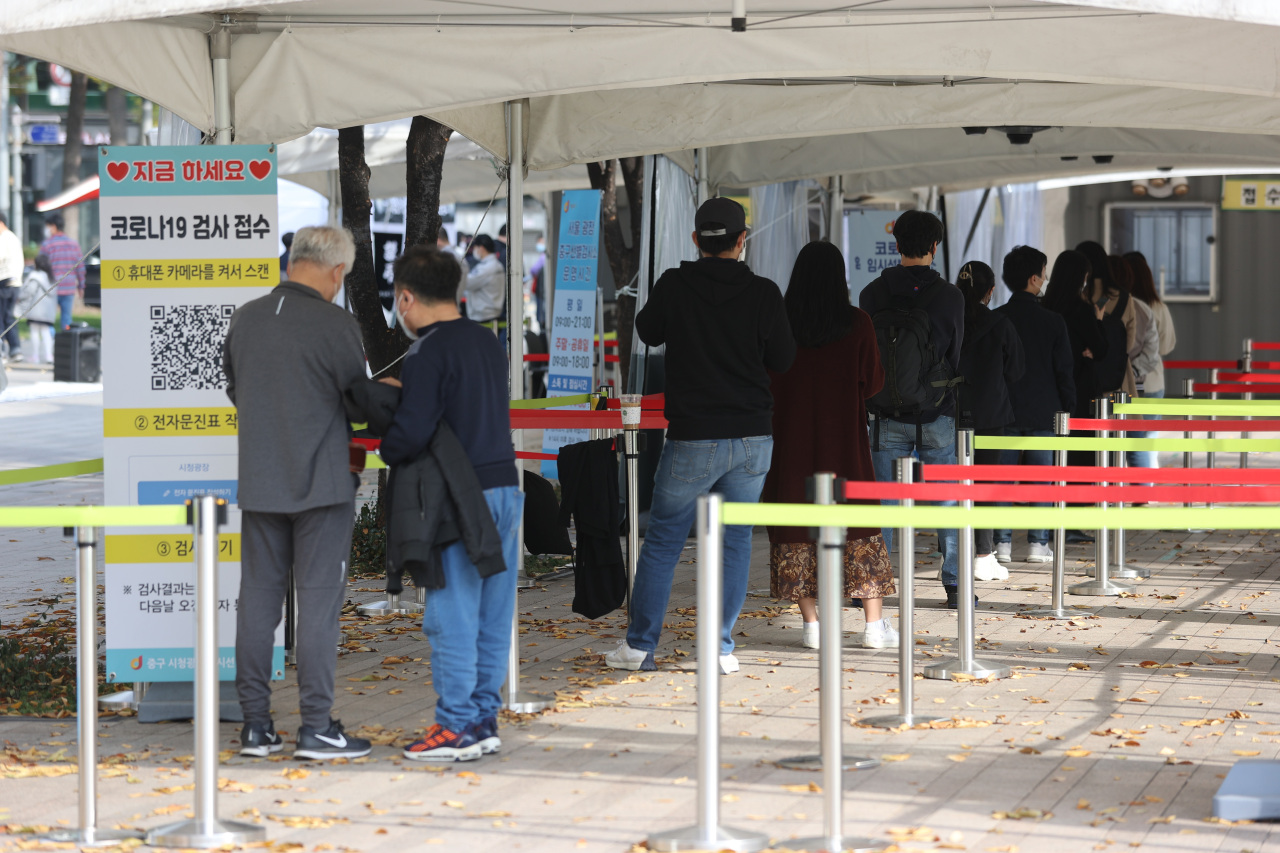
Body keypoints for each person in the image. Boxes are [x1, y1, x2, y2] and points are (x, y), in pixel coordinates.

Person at [605, 197, 796, 673]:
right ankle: (720, 649)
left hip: (692, 436)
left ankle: (639, 647)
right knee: (735, 541)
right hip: (752, 437)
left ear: (695, 240)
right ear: (741, 240)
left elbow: (647, 331)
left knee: (665, 541)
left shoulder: (675, 284)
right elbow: (785, 359)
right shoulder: (765, 293)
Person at [223, 226, 382, 761]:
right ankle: (316, 727)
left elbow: (235, 390)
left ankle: (255, 727)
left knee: (257, 602)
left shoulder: (245, 317)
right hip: (323, 485)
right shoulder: (336, 324)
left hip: (260, 483)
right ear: (337, 271)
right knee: (317, 605)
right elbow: (358, 401)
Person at [378, 246, 523, 763]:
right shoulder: (486, 342)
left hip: (460, 499)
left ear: (406, 297)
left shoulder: (426, 352)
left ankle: (455, 726)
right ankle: (483, 719)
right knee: (491, 610)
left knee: (452, 613)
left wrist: (385, 434)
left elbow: (410, 436)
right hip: (506, 488)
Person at [762, 242, 897, 650]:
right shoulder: (857, 323)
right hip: (846, 443)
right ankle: (873, 627)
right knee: (858, 524)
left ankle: (812, 626)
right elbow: (873, 383)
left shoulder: (779, 323)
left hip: (791, 442)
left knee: (795, 524)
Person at [858, 210, 966, 608]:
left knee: (884, 503)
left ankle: (873, 585)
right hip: (936, 413)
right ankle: (955, 585)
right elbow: (955, 354)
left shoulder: (871, 293)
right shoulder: (951, 297)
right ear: (934, 247)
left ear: (896, 244)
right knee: (948, 501)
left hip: (886, 414)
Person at [994, 245, 1076, 563]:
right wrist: (1068, 408)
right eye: (1043, 273)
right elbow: (1063, 371)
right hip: (1045, 411)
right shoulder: (1053, 322)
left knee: (1001, 480)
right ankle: (1037, 544)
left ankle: (1000, 543)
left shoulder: (997, 318)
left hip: (1005, 411)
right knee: (1043, 479)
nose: (1045, 278)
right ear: (1033, 279)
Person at [955, 260, 1024, 582]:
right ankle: (983, 555)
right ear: (991, 291)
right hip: (991, 414)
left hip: (950, 413)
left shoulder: (948, 320)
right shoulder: (1002, 324)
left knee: (954, 486)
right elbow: (1016, 371)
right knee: (985, 485)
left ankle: (953, 554)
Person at [1041, 249, 1109, 545]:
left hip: (1050, 391)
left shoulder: (1046, 306)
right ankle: (1073, 522)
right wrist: (1098, 320)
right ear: (1081, 278)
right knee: (1081, 456)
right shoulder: (1082, 310)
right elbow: (1102, 348)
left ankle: (1049, 518)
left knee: (1055, 456)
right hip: (1081, 391)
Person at [1123, 251, 1178, 472]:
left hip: (1122, 383)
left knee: (1124, 440)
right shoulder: (1158, 307)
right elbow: (1167, 346)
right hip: (1153, 384)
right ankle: (1146, 491)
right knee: (1147, 441)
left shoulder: (1120, 305)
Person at [39, 212, 85, 331]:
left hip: (51, 287)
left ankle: (52, 342)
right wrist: (81, 286)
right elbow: (80, 267)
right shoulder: (74, 244)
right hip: (69, 287)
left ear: (53, 226)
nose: (47, 229)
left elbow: (41, 266)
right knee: (66, 319)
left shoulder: (47, 245)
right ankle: (66, 344)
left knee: (48, 319)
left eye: (48, 226)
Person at [18, 254, 57, 364]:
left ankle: (35, 356)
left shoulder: (35, 276)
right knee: (46, 332)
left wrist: (20, 297)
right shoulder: (51, 277)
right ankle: (49, 355)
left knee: (34, 332)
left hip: (35, 309)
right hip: (47, 312)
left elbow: (29, 291)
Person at [464, 234, 505, 328]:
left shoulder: (486, 268)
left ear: (481, 248)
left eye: (476, 248)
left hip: (483, 316)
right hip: (491, 313)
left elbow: (467, 283)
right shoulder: (496, 265)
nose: (475, 251)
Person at [0, 213, 24, 361]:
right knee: (9, 317)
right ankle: (15, 349)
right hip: (14, 282)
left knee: (1, 317)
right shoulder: (13, 237)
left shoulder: (4, 237)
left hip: (5, 281)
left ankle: (2, 350)